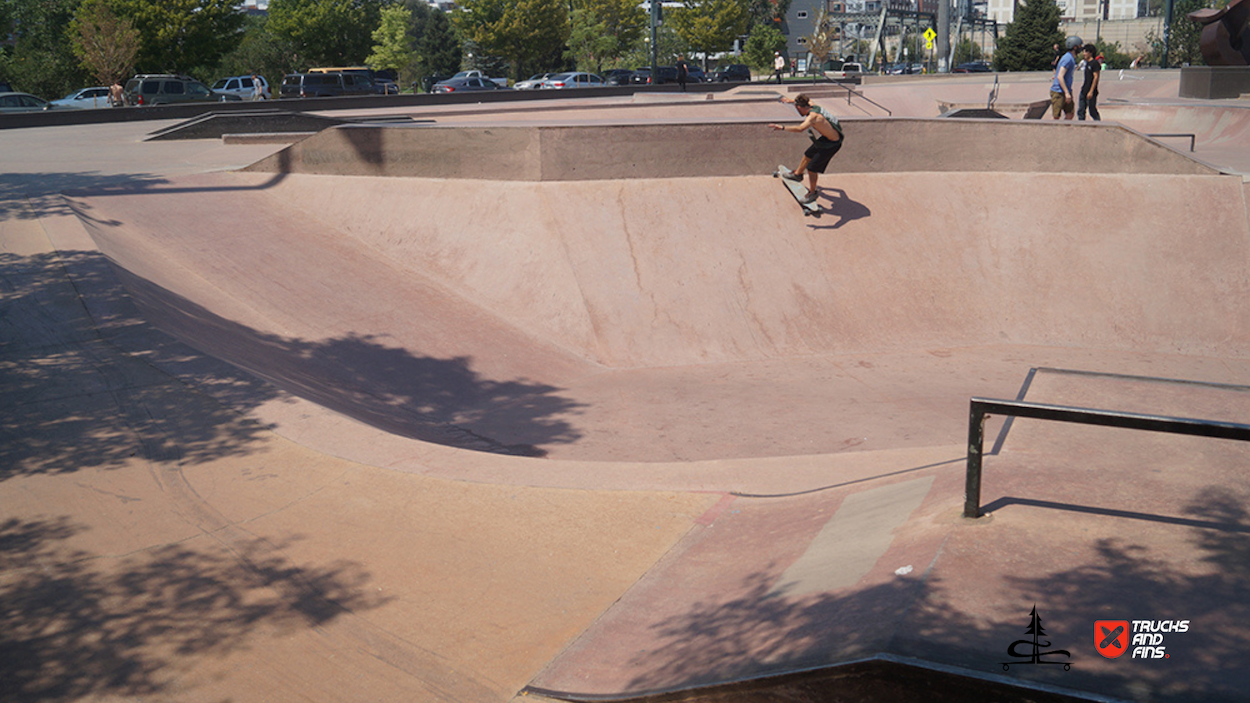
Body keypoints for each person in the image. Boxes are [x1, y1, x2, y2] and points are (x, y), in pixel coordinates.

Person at [767, 94, 844, 204]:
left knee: (812, 168)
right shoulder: (812, 105)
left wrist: (782, 127)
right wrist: (791, 101)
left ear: (799, 107)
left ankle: (812, 193)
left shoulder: (812, 117)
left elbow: (800, 128)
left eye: (796, 107)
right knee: (808, 154)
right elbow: (808, 99)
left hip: (832, 145)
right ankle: (798, 175)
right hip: (828, 138)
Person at [1050, 36, 1082, 120]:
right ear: (1075, 47)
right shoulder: (1067, 59)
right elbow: (1060, 76)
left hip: (1066, 90)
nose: (1081, 48)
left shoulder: (1071, 58)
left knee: (1070, 113)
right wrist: (1067, 93)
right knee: (1056, 116)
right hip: (1058, 91)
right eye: (1079, 46)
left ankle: (1064, 129)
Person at [1078, 43, 1101, 121]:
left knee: (1092, 110)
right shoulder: (1086, 63)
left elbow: (1096, 77)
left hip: (1091, 91)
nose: (1084, 54)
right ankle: (1081, 124)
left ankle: (1098, 123)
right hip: (1084, 89)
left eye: (1085, 52)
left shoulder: (1094, 63)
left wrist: (1091, 91)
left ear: (1090, 53)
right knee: (1081, 110)